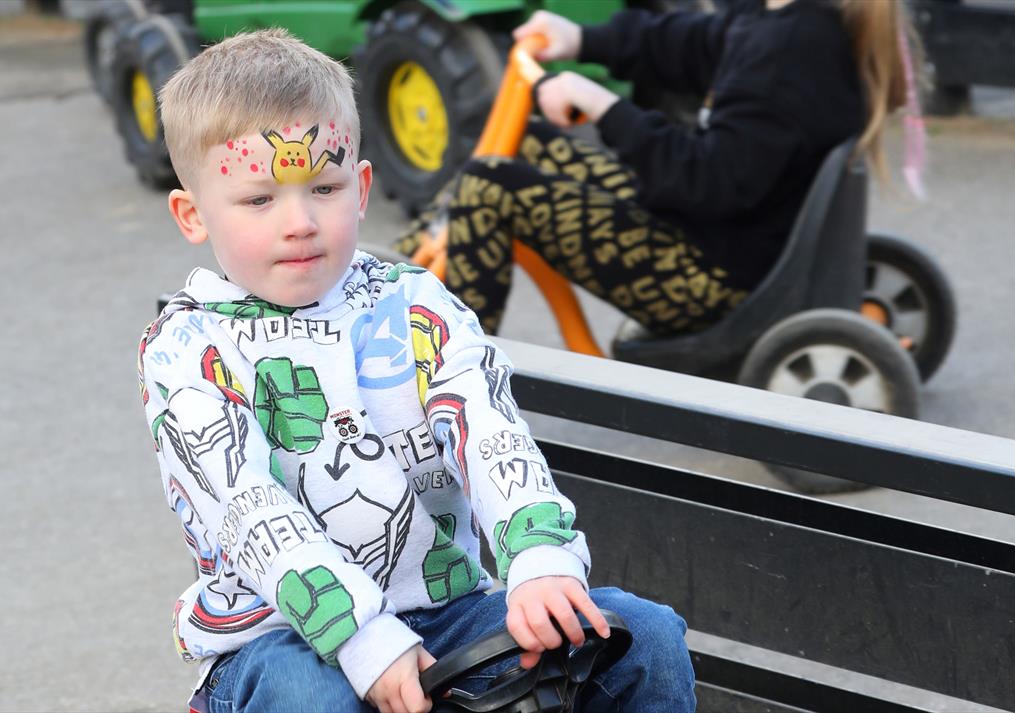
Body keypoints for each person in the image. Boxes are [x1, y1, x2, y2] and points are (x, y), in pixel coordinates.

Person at [139, 29, 694, 713]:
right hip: (276, 636)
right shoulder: (188, 347)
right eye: (260, 200)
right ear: (193, 214)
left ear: (363, 186)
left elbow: (489, 432)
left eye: (325, 186)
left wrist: (537, 558)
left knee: (644, 638)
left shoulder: (413, 303)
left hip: (447, 613)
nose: (300, 221)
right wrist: (364, 635)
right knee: (312, 698)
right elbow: (249, 508)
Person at [394, 0, 917, 336]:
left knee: (490, 187)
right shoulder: (781, 22)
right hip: (713, 230)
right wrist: (581, 40)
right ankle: (385, 292)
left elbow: (706, 180)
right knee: (522, 146)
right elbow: (688, 44)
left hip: (712, 275)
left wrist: (603, 106)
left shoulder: (790, 53)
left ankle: (442, 381)